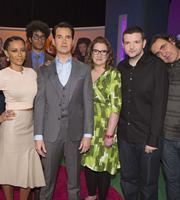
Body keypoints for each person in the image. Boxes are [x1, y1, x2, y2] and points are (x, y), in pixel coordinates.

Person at [34, 22, 94, 200]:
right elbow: (40, 103)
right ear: (53, 41)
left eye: (68, 36)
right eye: (59, 36)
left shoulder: (84, 69)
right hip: (50, 134)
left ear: (73, 41)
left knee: (74, 182)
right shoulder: (44, 70)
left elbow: (88, 102)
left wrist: (87, 134)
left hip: (75, 134)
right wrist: (38, 136)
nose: (64, 41)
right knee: (47, 181)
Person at [117, 26, 168, 200]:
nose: (131, 47)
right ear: (123, 44)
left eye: (136, 42)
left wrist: (153, 140)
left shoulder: (157, 66)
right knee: (128, 180)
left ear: (144, 43)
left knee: (148, 185)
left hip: (147, 138)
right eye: (127, 42)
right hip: (124, 137)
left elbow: (159, 104)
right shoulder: (120, 68)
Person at [0, 36, 45, 200]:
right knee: (8, 169)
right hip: (11, 128)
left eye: (22, 50)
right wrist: (0, 118)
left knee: (27, 171)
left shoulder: (32, 73)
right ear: (6, 53)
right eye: (14, 50)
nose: (19, 54)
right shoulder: (3, 75)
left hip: (30, 127)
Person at [81, 36, 121, 200]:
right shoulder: (84, 72)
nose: (99, 55)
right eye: (96, 51)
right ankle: (91, 196)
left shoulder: (113, 74)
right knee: (89, 162)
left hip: (105, 126)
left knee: (103, 165)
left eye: (103, 51)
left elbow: (116, 107)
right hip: (86, 126)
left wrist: (109, 135)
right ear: (91, 52)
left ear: (108, 54)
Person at [149, 33, 180, 200]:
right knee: (172, 180)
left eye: (163, 47)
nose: (163, 54)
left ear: (172, 41)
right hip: (167, 139)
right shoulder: (163, 71)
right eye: (158, 54)